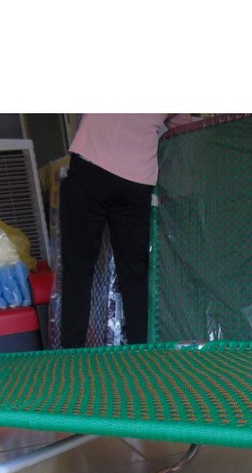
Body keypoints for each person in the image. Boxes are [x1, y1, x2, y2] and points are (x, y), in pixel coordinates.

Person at [57, 113, 192, 348]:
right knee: (135, 275)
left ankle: (72, 354)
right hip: (137, 180)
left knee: (78, 269)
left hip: (91, 165)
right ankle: (142, 352)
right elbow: (185, 127)